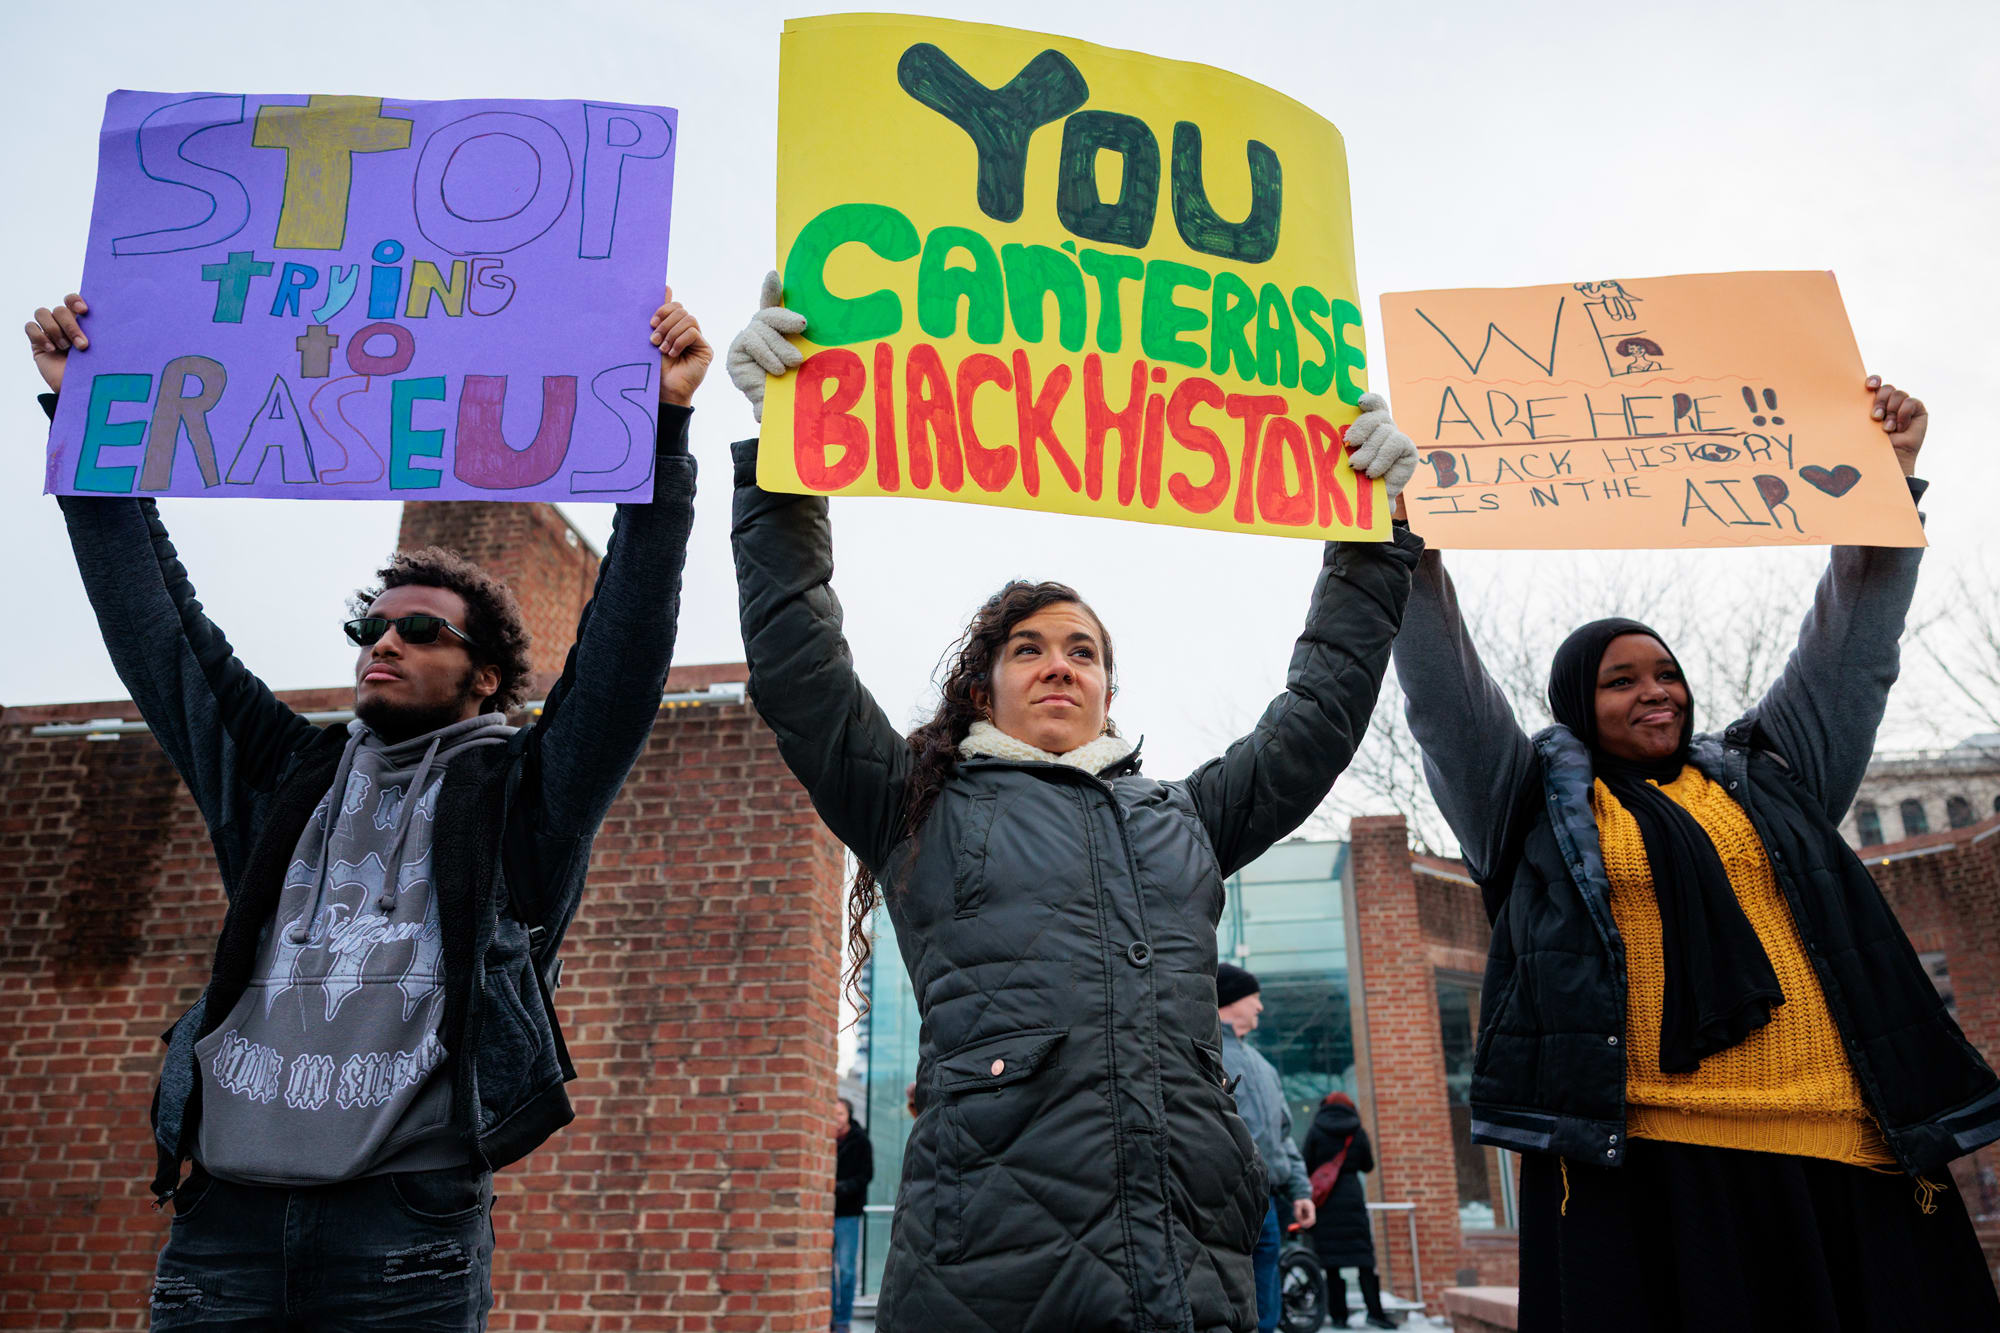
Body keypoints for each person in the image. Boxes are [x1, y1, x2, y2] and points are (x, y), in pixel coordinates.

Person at [724, 272, 1423, 1332]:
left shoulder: (1181, 817)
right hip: (987, 1272)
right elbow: (799, 668)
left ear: (1108, 686)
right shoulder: (918, 807)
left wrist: (1370, 541)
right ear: (984, 685)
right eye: (1029, 648)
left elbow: (1317, 716)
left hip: (1193, 1272)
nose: (1059, 666)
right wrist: (784, 461)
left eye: (1082, 651)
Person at [26, 289, 711, 1329]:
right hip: (222, 1227)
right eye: (371, 625)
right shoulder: (281, 774)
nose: (382, 643)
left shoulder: (525, 794)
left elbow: (622, 652)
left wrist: (659, 434)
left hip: (404, 1236)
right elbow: (159, 630)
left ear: (485, 676)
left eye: (420, 630)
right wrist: (84, 418)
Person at [1391, 376, 2000, 1332]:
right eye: (1620, 680)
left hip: (1850, 1153)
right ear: (1573, 705)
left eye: (1668, 671)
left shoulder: (1769, 775)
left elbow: (1855, 645)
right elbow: (1442, 694)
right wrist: (1403, 542)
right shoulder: (1531, 807)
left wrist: (1889, 476)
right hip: (1654, 1169)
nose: (1655, 691)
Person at [1215, 964, 1315, 1333]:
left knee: (1265, 1302)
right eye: (1253, 998)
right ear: (1230, 1000)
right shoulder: (1204, 1055)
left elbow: (1282, 1136)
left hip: (1268, 1203)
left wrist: (1301, 1190)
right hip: (1221, 1202)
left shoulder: (1263, 1067)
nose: (1260, 1007)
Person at [1303, 1092, 1391, 1329]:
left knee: (1332, 1264)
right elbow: (1368, 1165)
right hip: (1352, 1199)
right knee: (1364, 1260)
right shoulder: (1357, 1130)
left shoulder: (1316, 1130)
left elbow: (1306, 1164)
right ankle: (1375, 1313)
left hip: (1326, 1202)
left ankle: (1339, 1317)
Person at [833, 1097, 874, 1333]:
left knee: (847, 1271)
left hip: (848, 1213)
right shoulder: (823, 1138)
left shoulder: (860, 1141)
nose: (836, 1119)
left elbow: (866, 1175)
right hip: (823, 1213)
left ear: (848, 1115)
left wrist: (841, 1188)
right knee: (824, 1271)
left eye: (839, 1114)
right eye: (833, 1114)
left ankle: (842, 1320)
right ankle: (827, 1316)